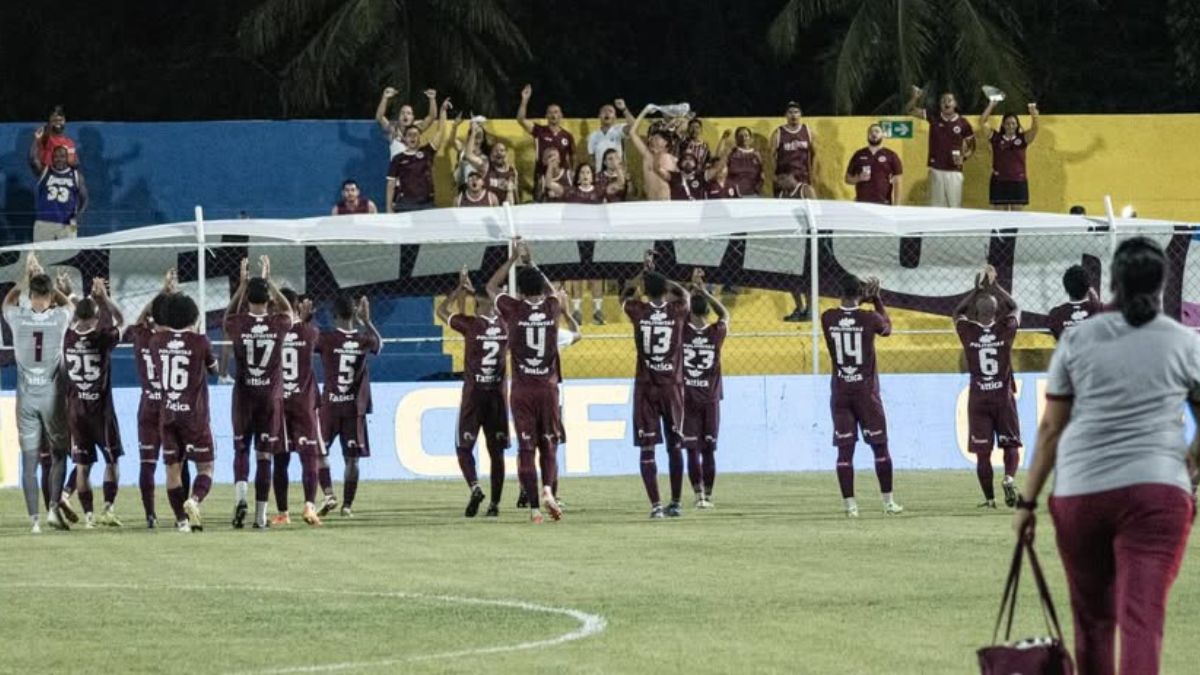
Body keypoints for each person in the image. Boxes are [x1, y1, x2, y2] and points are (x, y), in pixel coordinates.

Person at [1014, 237, 1199, 675]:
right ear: (1161, 284)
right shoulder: (1183, 342)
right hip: (1158, 492)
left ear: (1112, 282)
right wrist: (1191, 465)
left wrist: (1027, 502)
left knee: (1093, 622)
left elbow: (1051, 428)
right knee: (1142, 619)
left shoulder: (1079, 339)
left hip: (1082, 492)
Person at [486, 240, 566, 523]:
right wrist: (531, 262)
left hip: (522, 390)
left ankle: (534, 509)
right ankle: (548, 489)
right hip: (548, 388)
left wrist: (511, 261)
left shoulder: (513, 308)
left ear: (519, 291)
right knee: (549, 445)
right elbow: (553, 291)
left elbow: (491, 288)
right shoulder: (553, 307)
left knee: (526, 448)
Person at [821, 275, 903, 517]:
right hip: (866, 393)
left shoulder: (827, 317)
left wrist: (861, 297)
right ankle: (888, 503)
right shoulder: (869, 317)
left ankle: (851, 507)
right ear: (861, 294)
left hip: (841, 392)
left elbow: (846, 314)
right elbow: (887, 328)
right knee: (880, 447)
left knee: (845, 451)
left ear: (839, 293)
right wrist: (876, 299)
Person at [3, 253, 73, 533]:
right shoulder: (58, 318)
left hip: (27, 397)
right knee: (58, 454)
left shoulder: (18, 318)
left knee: (30, 458)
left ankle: (34, 520)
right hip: (52, 396)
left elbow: (7, 302)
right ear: (49, 297)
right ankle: (54, 508)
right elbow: (67, 303)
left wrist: (25, 276)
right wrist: (46, 279)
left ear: (32, 296)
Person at [223, 256, 293, 529]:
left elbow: (229, 315)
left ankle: (241, 497)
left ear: (247, 299)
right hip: (269, 397)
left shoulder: (238, 323)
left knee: (241, 448)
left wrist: (241, 286)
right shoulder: (278, 324)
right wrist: (268, 280)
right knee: (264, 454)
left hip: (243, 395)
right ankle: (260, 516)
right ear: (268, 301)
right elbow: (289, 311)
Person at [621, 262, 690, 518]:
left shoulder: (637, 310)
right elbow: (685, 295)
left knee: (647, 448)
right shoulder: (677, 310)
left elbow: (625, 295)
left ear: (645, 291)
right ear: (665, 290)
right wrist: (664, 279)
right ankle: (676, 502)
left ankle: (656, 506)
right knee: (675, 445)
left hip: (646, 387)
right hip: (672, 387)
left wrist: (641, 274)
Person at [438, 269, 509, 517]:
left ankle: (475, 486)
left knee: (463, 447)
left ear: (476, 301)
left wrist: (459, 290)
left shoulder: (470, 325)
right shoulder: (505, 324)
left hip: (473, 395)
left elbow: (441, 312)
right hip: (498, 397)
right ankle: (495, 505)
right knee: (496, 451)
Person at [954, 264, 1022, 508]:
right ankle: (1009, 477)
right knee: (1011, 443)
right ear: (996, 312)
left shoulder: (968, 332)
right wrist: (995, 286)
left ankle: (990, 499)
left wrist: (976, 290)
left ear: (977, 312)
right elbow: (1015, 308)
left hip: (979, 397)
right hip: (1003, 395)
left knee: (983, 453)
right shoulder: (1005, 330)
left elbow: (957, 312)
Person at [151, 292, 219, 532]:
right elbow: (215, 370)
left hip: (168, 412)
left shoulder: (156, 341)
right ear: (193, 316)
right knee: (206, 467)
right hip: (195, 415)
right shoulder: (200, 342)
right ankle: (195, 499)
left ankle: (181, 521)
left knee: (173, 469)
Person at [124, 270, 185, 528]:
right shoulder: (174, 340)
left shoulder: (141, 336)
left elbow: (137, 321)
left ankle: (150, 515)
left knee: (147, 463)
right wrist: (169, 296)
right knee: (177, 465)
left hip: (147, 404)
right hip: (171, 408)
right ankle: (182, 514)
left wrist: (161, 294)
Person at [63, 278, 125, 529]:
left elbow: (74, 312)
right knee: (112, 462)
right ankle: (108, 508)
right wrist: (105, 298)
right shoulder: (103, 337)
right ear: (97, 316)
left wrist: (72, 296)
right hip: (100, 411)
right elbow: (123, 321)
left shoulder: (66, 337)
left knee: (82, 466)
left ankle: (88, 517)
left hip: (75, 411)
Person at [316, 294, 382, 518]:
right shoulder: (364, 340)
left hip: (330, 407)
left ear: (333, 315)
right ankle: (347, 506)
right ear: (354, 313)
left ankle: (328, 493)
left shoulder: (325, 339)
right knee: (352, 459)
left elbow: (304, 343)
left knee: (320, 452)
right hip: (355, 409)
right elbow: (379, 346)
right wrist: (367, 321)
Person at [274, 288, 323, 527]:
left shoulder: (273, 332)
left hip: (279, 402)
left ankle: (283, 513)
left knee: (280, 459)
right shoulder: (310, 331)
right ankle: (309, 506)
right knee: (309, 457)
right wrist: (303, 321)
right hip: (303, 403)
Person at [681, 270, 728, 508]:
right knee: (709, 450)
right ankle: (707, 497)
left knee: (691, 449)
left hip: (687, 397)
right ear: (707, 311)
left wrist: (690, 291)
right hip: (710, 399)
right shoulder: (715, 332)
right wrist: (704, 292)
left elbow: (679, 310)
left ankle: (698, 495)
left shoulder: (683, 331)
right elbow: (725, 313)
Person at [906, 87, 975, 207]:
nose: (946, 103)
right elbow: (910, 110)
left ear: (955, 104)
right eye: (943, 100)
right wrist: (915, 97)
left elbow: (972, 146)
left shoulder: (963, 123)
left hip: (954, 171)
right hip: (936, 170)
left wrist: (963, 158)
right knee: (936, 208)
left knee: (955, 207)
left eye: (949, 100)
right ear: (940, 104)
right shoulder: (934, 117)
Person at [386, 97, 451, 212]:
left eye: (415, 135)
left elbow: (440, 132)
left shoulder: (427, 151)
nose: (413, 137)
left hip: (427, 203)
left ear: (420, 138)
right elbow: (390, 184)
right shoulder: (398, 158)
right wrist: (388, 207)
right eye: (410, 135)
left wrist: (443, 111)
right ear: (405, 139)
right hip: (405, 204)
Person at [980, 101, 1039, 211]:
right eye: (1007, 123)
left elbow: (1035, 129)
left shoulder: (1022, 139)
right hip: (999, 181)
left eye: (1013, 123)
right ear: (1003, 124)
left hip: (1018, 181)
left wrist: (1034, 115)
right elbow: (983, 122)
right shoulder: (996, 138)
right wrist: (991, 104)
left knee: (1017, 217)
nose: (1010, 126)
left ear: (1017, 125)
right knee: (999, 216)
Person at [517, 84, 575, 179]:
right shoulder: (539, 130)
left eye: (556, 112)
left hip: (561, 177)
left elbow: (573, 156)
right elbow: (520, 119)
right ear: (546, 116)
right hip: (542, 175)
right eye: (550, 112)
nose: (553, 115)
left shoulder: (567, 136)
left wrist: (572, 172)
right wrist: (524, 99)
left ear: (561, 115)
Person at [31, 145, 87, 241]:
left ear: (67, 158)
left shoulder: (76, 175)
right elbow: (33, 160)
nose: (59, 159)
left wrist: (78, 216)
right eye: (56, 156)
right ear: (52, 158)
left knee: (68, 253)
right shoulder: (45, 171)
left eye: (62, 156)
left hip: (68, 224)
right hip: (44, 223)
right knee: (42, 254)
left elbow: (84, 199)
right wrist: (36, 141)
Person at [844, 124, 904, 205]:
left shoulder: (891, 155)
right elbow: (847, 178)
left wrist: (897, 205)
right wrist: (858, 178)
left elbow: (898, 181)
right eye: (871, 132)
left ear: (882, 135)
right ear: (867, 136)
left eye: (877, 131)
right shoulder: (858, 154)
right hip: (862, 203)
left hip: (884, 203)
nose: (874, 134)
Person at [628, 105, 678, 201]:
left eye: (656, 138)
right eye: (652, 138)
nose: (652, 140)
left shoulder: (673, 159)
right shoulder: (647, 156)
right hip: (650, 204)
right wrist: (645, 111)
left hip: (667, 204)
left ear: (665, 143)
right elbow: (632, 133)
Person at [463, 124, 519, 204]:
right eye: (496, 151)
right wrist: (473, 133)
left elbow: (515, 194)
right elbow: (468, 155)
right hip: (488, 209)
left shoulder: (513, 172)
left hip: (504, 211)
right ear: (491, 155)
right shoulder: (486, 166)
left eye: (502, 150)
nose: (499, 153)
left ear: (506, 153)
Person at [770, 102, 816, 199]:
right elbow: (771, 156)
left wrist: (813, 175)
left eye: (796, 112)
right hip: (785, 180)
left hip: (803, 178)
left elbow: (815, 155)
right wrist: (774, 177)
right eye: (790, 112)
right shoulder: (778, 132)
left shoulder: (808, 131)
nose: (793, 115)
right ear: (785, 115)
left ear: (800, 114)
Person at [375, 87, 437, 158]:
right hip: (397, 168)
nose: (405, 115)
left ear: (413, 117)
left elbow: (432, 116)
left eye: (408, 113)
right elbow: (379, 117)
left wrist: (432, 99)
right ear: (398, 117)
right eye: (402, 113)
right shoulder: (393, 130)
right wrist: (385, 97)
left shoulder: (416, 129)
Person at [1048, 265, 1103, 340]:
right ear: (1088, 289)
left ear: (1066, 289)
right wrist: (1096, 301)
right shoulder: (1100, 310)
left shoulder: (1056, 314)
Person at [28, 105, 78, 171]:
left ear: (65, 121)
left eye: (60, 120)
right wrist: (37, 139)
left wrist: (72, 161)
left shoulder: (69, 142)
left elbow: (75, 163)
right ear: (49, 122)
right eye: (54, 120)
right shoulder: (44, 139)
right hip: (48, 176)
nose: (58, 123)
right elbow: (33, 158)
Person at [587, 100, 628, 171]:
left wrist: (624, 109)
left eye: (610, 111)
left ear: (615, 117)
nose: (607, 113)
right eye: (604, 111)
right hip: (600, 177)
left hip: (618, 175)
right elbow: (591, 159)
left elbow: (634, 126)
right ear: (599, 116)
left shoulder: (619, 130)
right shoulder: (593, 136)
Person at [726, 127, 764, 197]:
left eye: (746, 135)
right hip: (735, 195)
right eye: (740, 136)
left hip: (753, 194)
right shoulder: (731, 153)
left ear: (750, 138)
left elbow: (762, 174)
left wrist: (758, 188)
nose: (743, 138)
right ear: (736, 138)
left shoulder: (756, 155)